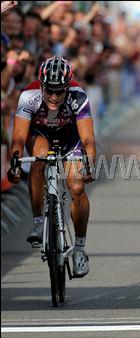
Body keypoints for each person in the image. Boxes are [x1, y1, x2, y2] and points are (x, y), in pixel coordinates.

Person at [7, 56, 96, 278]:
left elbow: (88, 139)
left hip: (70, 137)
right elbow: (18, 137)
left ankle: (80, 249)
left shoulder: (78, 95)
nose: (54, 97)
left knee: (76, 189)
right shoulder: (29, 96)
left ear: (68, 86)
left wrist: (89, 163)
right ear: (41, 85)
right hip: (40, 135)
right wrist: (15, 162)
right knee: (38, 161)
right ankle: (38, 222)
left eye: (60, 91)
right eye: (49, 91)